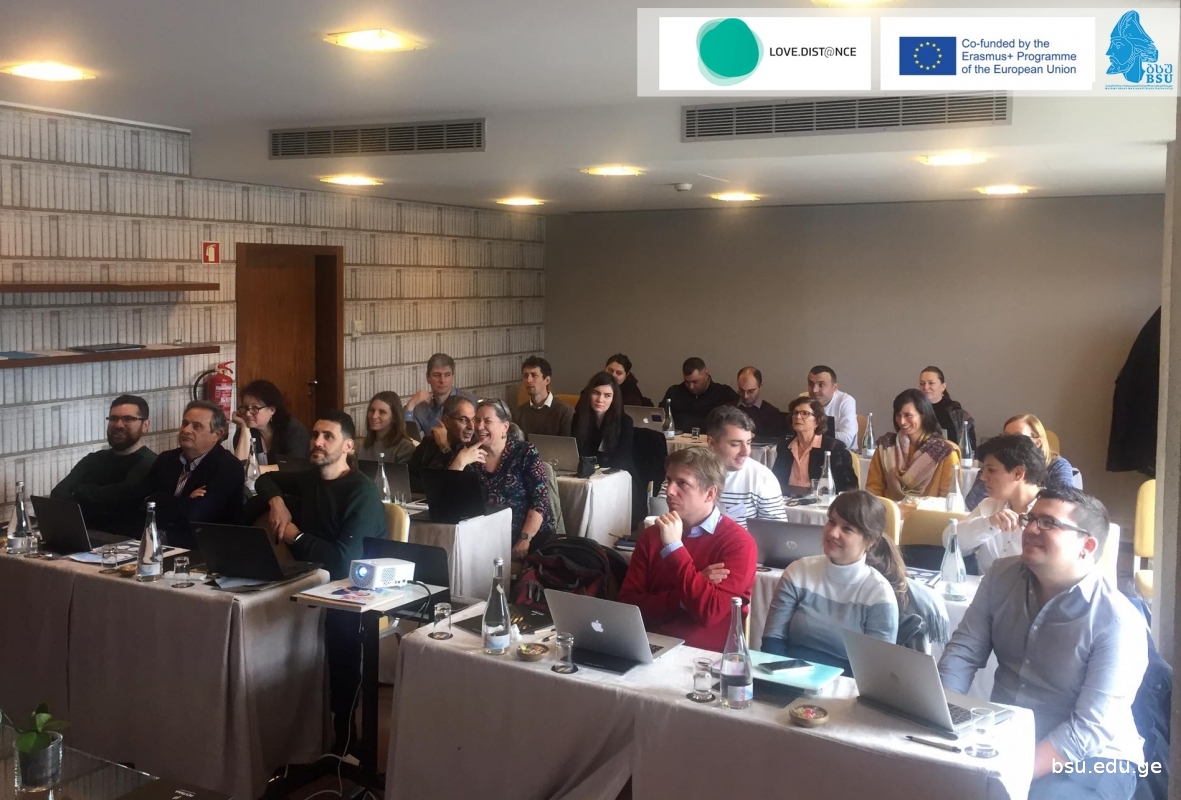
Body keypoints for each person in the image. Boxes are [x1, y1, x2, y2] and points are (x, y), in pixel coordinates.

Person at [939, 487, 1148, 800]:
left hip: (1092, 759)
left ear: (1087, 546)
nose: (1031, 529)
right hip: (1007, 738)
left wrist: (1010, 772)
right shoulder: (1001, 576)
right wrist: (941, 716)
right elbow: (963, 653)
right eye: (1031, 518)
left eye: (1048, 523)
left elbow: (1089, 729)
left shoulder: (1117, 620)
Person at [254, 410, 387, 754]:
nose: (317, 442)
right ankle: (291, 728)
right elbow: (263, 481)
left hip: (354, 588)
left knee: (341, 629)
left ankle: (345, 733)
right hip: (310, 578)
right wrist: (277, 502)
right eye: (315, 435)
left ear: (348, 447)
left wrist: (295, 536)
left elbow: (344, 561)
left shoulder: (361, 491)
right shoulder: (310, 478)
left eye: (328, 437)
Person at [619, 447, 758, 652]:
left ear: (710, 493)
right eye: (669, 480)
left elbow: (708, 612)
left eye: (682, 483)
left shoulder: (738, 543)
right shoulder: (652, 535)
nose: (669, 491)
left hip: (707, 656)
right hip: (649, 647)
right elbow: (628, 606)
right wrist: (688, 593)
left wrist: (674, 549)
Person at [761, 491, 903, 672]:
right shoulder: (798, 572)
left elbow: (875, 669)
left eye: (847, 529)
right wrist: (783, 679)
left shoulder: (879, 594)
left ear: (870, 541)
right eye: (831, 522)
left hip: (846, 685)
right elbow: (772, 641)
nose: (833, 533)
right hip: (787, 677)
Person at [450, 400, 555, 559]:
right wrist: (459, 463)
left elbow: (540, 500)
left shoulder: (525, 452)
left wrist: (525, 539)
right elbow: (447, 500)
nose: (479, 426)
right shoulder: (466, 453)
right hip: (480, 539)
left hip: (527, 538)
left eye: (487, 421)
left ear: (504, 427)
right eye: (477, 420)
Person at [141, 400, 244, 548]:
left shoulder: (228, 467)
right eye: (185, 423)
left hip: (204, 549)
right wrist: (186, 500)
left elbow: (196, 515)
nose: (186, 430)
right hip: (158, 543)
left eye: (196, 426)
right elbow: (143, 502)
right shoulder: (167, 459)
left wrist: (160, 500)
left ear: (217, 434)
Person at [51, 394, 157, 537]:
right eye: (113, 418)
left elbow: (121, 500)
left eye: (128, 419)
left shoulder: (152, 464)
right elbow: (58, 494)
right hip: (84, 540)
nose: (119, 425)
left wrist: (80, 491)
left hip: (125, 544)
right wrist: (97, 501)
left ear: (145, 425)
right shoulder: (93, 460)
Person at [944, 434, 1046, 574]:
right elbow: (950, 542)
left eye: (991, 470)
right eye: (984, 470)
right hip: (982, 586)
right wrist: (988, 524)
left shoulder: (1051, 515)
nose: (983, 477)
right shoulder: (990, 505)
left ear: (1018, 473)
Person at [965, 414, 1078, 510]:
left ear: (1037, 443)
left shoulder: (1058, 466)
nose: (1008, 444)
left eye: (1018, 437)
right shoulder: (995, 463)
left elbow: (1064, 504)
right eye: (1005, 437)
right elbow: (972, 502)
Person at [866, 389, 961, 501]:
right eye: (898, 415)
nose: (902, 421)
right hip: (887, 510)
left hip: (930, 512)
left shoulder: (945, 452)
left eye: (908, 415)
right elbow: (873, 491)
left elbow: (949, 499)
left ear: (923, 415)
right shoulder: (886, 447)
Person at [700, 405, 786, 528]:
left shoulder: (762, 478)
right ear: (712, 443)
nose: (746, 452)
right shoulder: (689, 474)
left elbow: (776, 532)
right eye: (735, 444)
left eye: (749, 443)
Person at [772, 397, 858, 495]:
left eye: (805, 413)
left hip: (822, 501)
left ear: (817, 421)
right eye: (795, 413)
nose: (798, 417)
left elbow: (849, 488)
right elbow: (775, 481)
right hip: (788, 500)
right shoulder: (785, 447)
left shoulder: (834, 448)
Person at [231, 379, 310, 467]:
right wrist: (244, 427)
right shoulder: (244, 433)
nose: (247, 413)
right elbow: (239, 468)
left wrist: (253, 470)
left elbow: (293, 467)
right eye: (245, 407)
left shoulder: (294, 430)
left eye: (255, 408)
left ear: (272, 410)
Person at [406, 396, 476, 492]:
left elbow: (464, 483)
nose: (471, 427)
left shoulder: (474, 447)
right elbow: (409, 477)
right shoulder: (430, 442)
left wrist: (445, 447)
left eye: (473, 419)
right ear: (447, 421)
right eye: (464, 420)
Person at [571, 372, 634, 473]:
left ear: (614, 398)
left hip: (618, 474)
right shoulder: (578, 418)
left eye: (607, 395)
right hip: (586, 472)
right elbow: (577, 452)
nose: (600, 400)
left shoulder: (625, 422)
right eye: (595, 393)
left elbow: (621, 460)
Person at [660, 357, 739, 434]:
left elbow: (737, 419)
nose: (691, 386)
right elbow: (660, 417)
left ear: (706, 374)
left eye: (695, 382)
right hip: (676, 440)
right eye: (687, 382)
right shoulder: (674, 392)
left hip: (709, 440)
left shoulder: (724, 393)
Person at [403, 353, 476, 433]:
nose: (442, 380)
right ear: (428, 378)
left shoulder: (470, 402)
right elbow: (408, 436)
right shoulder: (422, 408)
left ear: (453, 377)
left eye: (447, 375)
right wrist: (410, 405)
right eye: (437, 375)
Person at [919, 366, 975, 451]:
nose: (926, 387)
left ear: (943, 386)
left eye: (931, 383)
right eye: (922, 383)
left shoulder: (959, 415)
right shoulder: (913, 413)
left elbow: (971, 449)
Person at [516, 356, 574, 437]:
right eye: (526, 376)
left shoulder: (564, 412)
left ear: (547, 380)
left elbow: (567, 444)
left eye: (534, 375)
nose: (529, 380)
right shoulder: (518, 413)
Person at [356, 391, 417, 463]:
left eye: (382, 412)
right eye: (372, 410)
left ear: (394, 417)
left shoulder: (405, 448)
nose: (374, 416)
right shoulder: (359, 446)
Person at [807, 365, 858, 449]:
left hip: (842, 453)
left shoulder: (846, 401)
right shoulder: (804, 399)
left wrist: (811, 432)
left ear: (834, 388)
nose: (814, 390)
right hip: (810, 451)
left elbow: (847, 440)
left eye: (821, 385)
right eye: (811, 384)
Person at [734, 366, 786, 440]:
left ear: (760, 387)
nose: (745, 396)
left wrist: (754, 437)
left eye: (751, 391)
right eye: (741, 390)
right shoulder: (727, 410)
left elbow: (776, 441)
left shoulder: (772, 413)